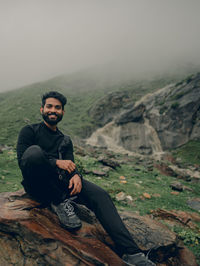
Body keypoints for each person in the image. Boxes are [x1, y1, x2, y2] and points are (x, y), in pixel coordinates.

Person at [16, 91, 155, 266]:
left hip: (60, 183)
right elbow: (24, 160)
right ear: (42, 109)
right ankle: (59, 202)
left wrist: (76, 176)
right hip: (38, 185)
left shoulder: (64, 140)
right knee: (34, 152)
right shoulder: (29, 131)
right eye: (49, 106)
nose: (53, 110)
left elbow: (71, 166)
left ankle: (132, 253)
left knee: (100, 195)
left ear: (63, 112)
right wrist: (56, 162)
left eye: (57, 108)